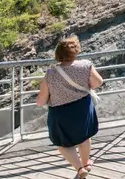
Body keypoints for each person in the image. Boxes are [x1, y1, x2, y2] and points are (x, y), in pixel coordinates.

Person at [36, 34, 104, 176]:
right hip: (82, 108)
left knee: (62, 144)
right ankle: (86, 163)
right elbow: (98, 83)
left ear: (58, 53)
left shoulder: (50, 73)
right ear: (76, 51)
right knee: (84, 138)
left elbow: (41, 101)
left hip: (60, 113)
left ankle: (80, 168)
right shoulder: (86, 65)